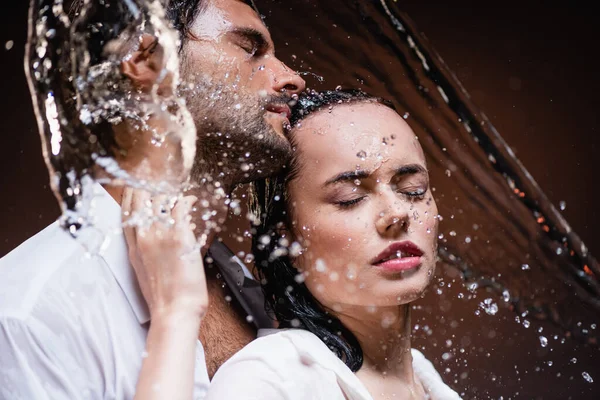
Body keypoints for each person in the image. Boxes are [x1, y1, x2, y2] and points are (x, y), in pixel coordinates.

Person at [0, 1, 304, 399]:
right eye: (250, 49)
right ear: (146, 61)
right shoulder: (30, 312)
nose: (292, 78)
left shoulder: (246, 289)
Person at [205, 90, 462, 399]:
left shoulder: (426, 381)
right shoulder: (271, 379)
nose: (396, 213)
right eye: (350, 199)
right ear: (286, 237)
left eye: (412, 189)